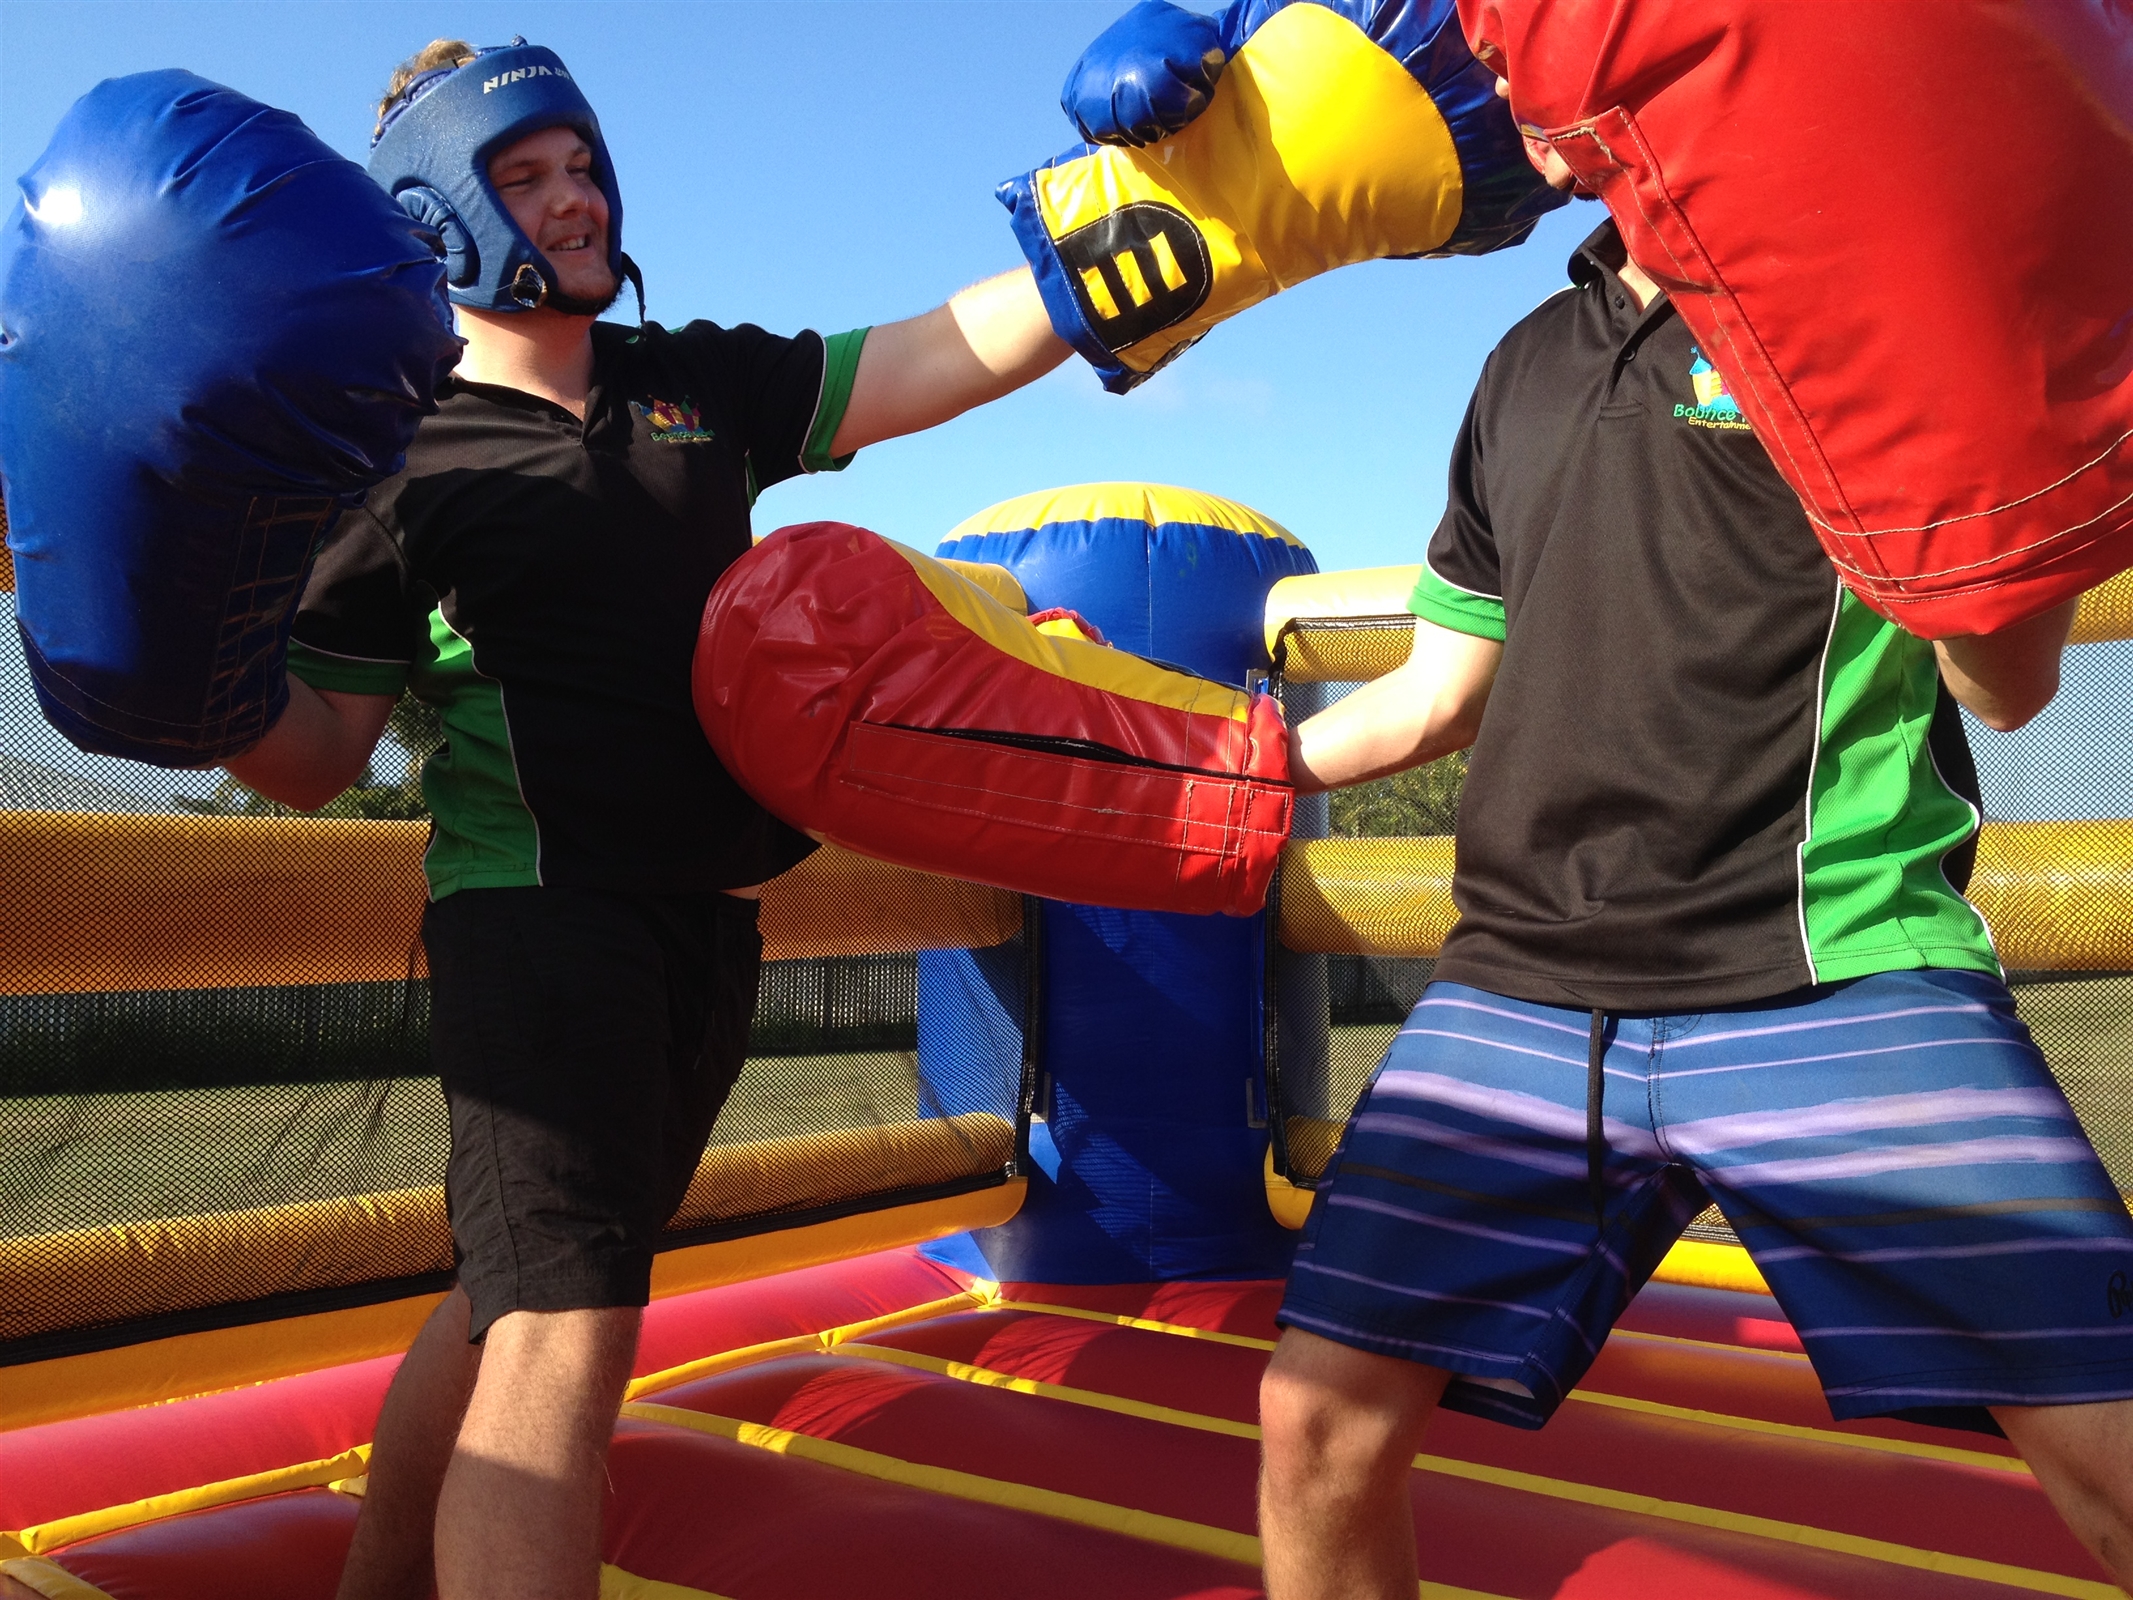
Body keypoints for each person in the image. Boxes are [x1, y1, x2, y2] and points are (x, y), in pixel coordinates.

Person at [222, 38, 1068, 1600]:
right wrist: (186, 690)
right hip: (541, 921)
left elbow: (934, 352)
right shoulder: (401, 456)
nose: (575, 200)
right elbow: (318, 752)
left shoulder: (691, 381)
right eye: (525, 178)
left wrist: (1121, 244)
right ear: (441, 217)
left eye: (583, 164)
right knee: (564, 1344)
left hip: (707, 925)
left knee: (513, 1302)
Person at [1254, 128, 2132, 1600]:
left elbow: (2006, 685)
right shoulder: (1528, 356)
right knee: (1316, 1427)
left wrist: (1907, 404)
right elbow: (1428, 699)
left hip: (1833, 968)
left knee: (2110, 1458)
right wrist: (1189, 757)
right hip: (1520, 989)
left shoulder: (1889, 308)